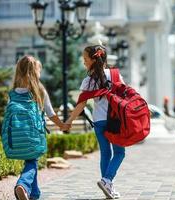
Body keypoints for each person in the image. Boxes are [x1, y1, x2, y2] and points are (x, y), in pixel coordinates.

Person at [64, 45, 125, 199]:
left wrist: (69, 121)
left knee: (105, 153)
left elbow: (81, 104)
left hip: (99, 121)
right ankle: (107, 180)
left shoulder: (88, 80)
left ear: (94, 59)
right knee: (119, 153)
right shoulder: (115, 75)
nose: (84, 62)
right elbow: (125, 96)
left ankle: (108, 187)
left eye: (85, 59)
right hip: (115, 121)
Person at [11, 55, 70, 200]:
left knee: (31, 160)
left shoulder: (13, 91)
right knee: (32, 161)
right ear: (36, 72)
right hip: (34, 134)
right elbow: (50, 113)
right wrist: (62, 125)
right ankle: (23, 185)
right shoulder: (39, 90)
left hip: (17, 134)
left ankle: (34, 194)